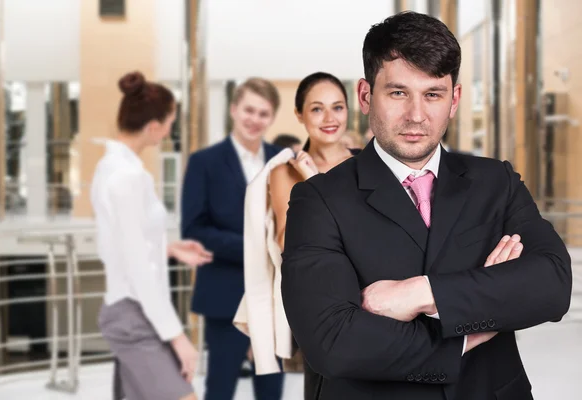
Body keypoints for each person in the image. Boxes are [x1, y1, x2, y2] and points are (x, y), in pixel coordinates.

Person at [281, 12, 572, 400]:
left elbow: (552, 285)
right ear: (366, 96)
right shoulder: (319, 200)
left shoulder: (495, 182)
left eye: (433, 94)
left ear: (454, 99)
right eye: (398, 92)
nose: (416, 115)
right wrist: (475, 321)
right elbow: (334, 342)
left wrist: (419, 293)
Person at [234, 72, 358, 399]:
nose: (330, 118)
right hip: (319, 310)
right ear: (300, 115)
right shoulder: (284, 173)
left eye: (338, 107)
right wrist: (313, 183)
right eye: (317, 109)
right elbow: (292, 246)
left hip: (373, 303)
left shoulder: (368, 165)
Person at [92, 71, 213, 400]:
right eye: (170, 122)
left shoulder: (110, 167)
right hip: (135, 316)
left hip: (131, 311)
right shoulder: (128, 177)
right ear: (154, 127)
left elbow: (122, 246)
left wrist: (168, 248)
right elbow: (137, 268)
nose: (170, 130)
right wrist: (178, 338)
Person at [181, 78, 285, 400]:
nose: (255, 120)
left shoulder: (281, 162)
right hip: (226, 295)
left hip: (273, 298)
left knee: (271, 390)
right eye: (249, 110)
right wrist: (254, 248)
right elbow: (194, 229)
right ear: (233, 110)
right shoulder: (204, 163)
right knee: (220, 388)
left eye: (263, 113)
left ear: (272, 118)